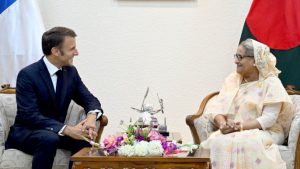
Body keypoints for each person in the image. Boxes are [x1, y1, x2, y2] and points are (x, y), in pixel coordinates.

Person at [5, 26, 103, 169]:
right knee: (49, 138)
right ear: (55, 51)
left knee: (84, 139)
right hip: (28, 132)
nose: (77, 52)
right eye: (72, 49)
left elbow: (89, 99)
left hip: (56, 131)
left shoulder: (70, 72)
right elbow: (30, 115)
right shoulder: (27, 75)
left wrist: (91, 117)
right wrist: (67, 129)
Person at [200, 39, 294, 169]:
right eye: (236, 56)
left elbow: (269, 119)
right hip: (233, 129)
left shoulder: (271, 83)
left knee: (243, 142)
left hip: (265, 131)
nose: (235, 61)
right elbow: (217, 108)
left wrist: (240, 127)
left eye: (240, 57)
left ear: (255, 60)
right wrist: (223, 124)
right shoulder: (233, 80)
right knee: (216, 141)